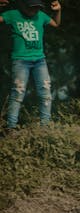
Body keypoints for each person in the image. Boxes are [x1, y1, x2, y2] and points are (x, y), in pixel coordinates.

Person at [0, 0, 61, 133]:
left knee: (45, 92)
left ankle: (45, 127)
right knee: (18, 93)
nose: (34, 11)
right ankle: (11, 128)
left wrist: (57, 11)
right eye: (31, 7)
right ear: (22, 5)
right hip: (20, 61)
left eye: (38, 7)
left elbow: (56, 23)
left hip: (40, 60)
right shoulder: (12, 14)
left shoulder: (41, 15)